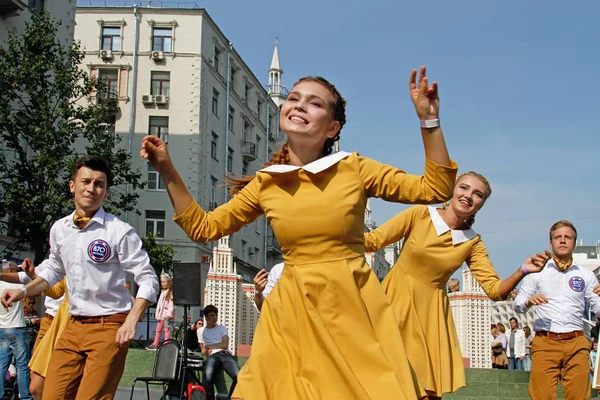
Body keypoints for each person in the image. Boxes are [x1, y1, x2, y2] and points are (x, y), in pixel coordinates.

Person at [141, 67, 458, 399]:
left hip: (350, 306)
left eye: (314, 103)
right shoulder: (267, 182)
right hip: (290, 312)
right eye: (293, 98)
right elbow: (203, 228)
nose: (299, 105)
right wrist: (167, 169)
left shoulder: (355, 168)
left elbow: (435, 188)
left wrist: (429, 121)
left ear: (333, 128)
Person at [362, 171, 550, 398]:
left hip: (430, 315)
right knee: (379, 377)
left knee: (422, 388)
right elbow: (372, 241)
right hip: (393, 300)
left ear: (480, 205)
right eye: (464, 188)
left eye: (477, 194)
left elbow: (494, 290)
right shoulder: (420, 214)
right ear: (452, 190)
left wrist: (523, 270)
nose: (468, 196)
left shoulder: (473, 242)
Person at [1, 155, 159, 400]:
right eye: (86, 181)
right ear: (72, 185)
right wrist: (23, 291)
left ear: (105, 193)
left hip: (110, 326)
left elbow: (148, 279)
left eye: (99, 184)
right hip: (72, 325)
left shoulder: (119, 231)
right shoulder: (60, 229)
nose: (92, 188)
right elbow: (53, 269)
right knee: (50, 393)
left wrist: (132, 320)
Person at [514, 220, 600, 399]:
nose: (562, 240)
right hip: (546, 341)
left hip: (576, 341)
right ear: (550, 243)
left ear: (574, 244)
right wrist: (529, 301)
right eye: (558, 237)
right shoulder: (537, 272)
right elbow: (518, 305)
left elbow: (597, 309)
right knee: (541, 396)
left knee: (579, 396)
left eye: (567, 237)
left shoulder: (586, 275)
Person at [0, 260, 33, 400]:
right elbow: (32, 280)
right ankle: (25, 396)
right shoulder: (16, 285)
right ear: (14, 271)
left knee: (2, 364)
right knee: (22, 365)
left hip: (2, 328)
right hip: (17, 327)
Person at [201, 305, 239, 400]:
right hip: (213, 355)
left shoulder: (222, 328)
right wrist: (206, 350)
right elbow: (203, 350)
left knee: (239, 376)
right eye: (212, 315)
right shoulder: (201, 331)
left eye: (216, 315)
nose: (215, 318)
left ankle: (231, 397)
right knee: (208, 376)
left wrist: (211, 346)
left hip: (225, 354)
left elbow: (225, 344)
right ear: (206, 317)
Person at [146, 273, 175, 350]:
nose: (162, 284)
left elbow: (172, 305)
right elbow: (159, 304)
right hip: (161, 315)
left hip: (167, 316)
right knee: (158, 329)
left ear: (169, 282)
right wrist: (158, 313)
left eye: (164, 282)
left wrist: (169, 314)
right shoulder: (163, 292)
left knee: (167, 330)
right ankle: (155, 344)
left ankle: (166, 344)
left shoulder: (171, 293)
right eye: (162, 282)